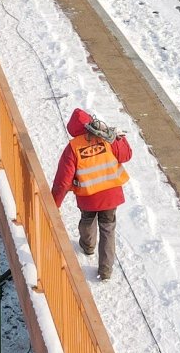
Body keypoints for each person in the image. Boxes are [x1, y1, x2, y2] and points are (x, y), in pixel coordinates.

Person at [50, 108, 132, 280]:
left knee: (87, 221)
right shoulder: (106, 137)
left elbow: (63, 182)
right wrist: (119, 138)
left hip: (88, 196)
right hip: (110, 195)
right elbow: (126, 155)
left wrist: (54, 203)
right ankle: (106, 271)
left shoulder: (73, 147)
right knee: (108, 230)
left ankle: (88, 246)